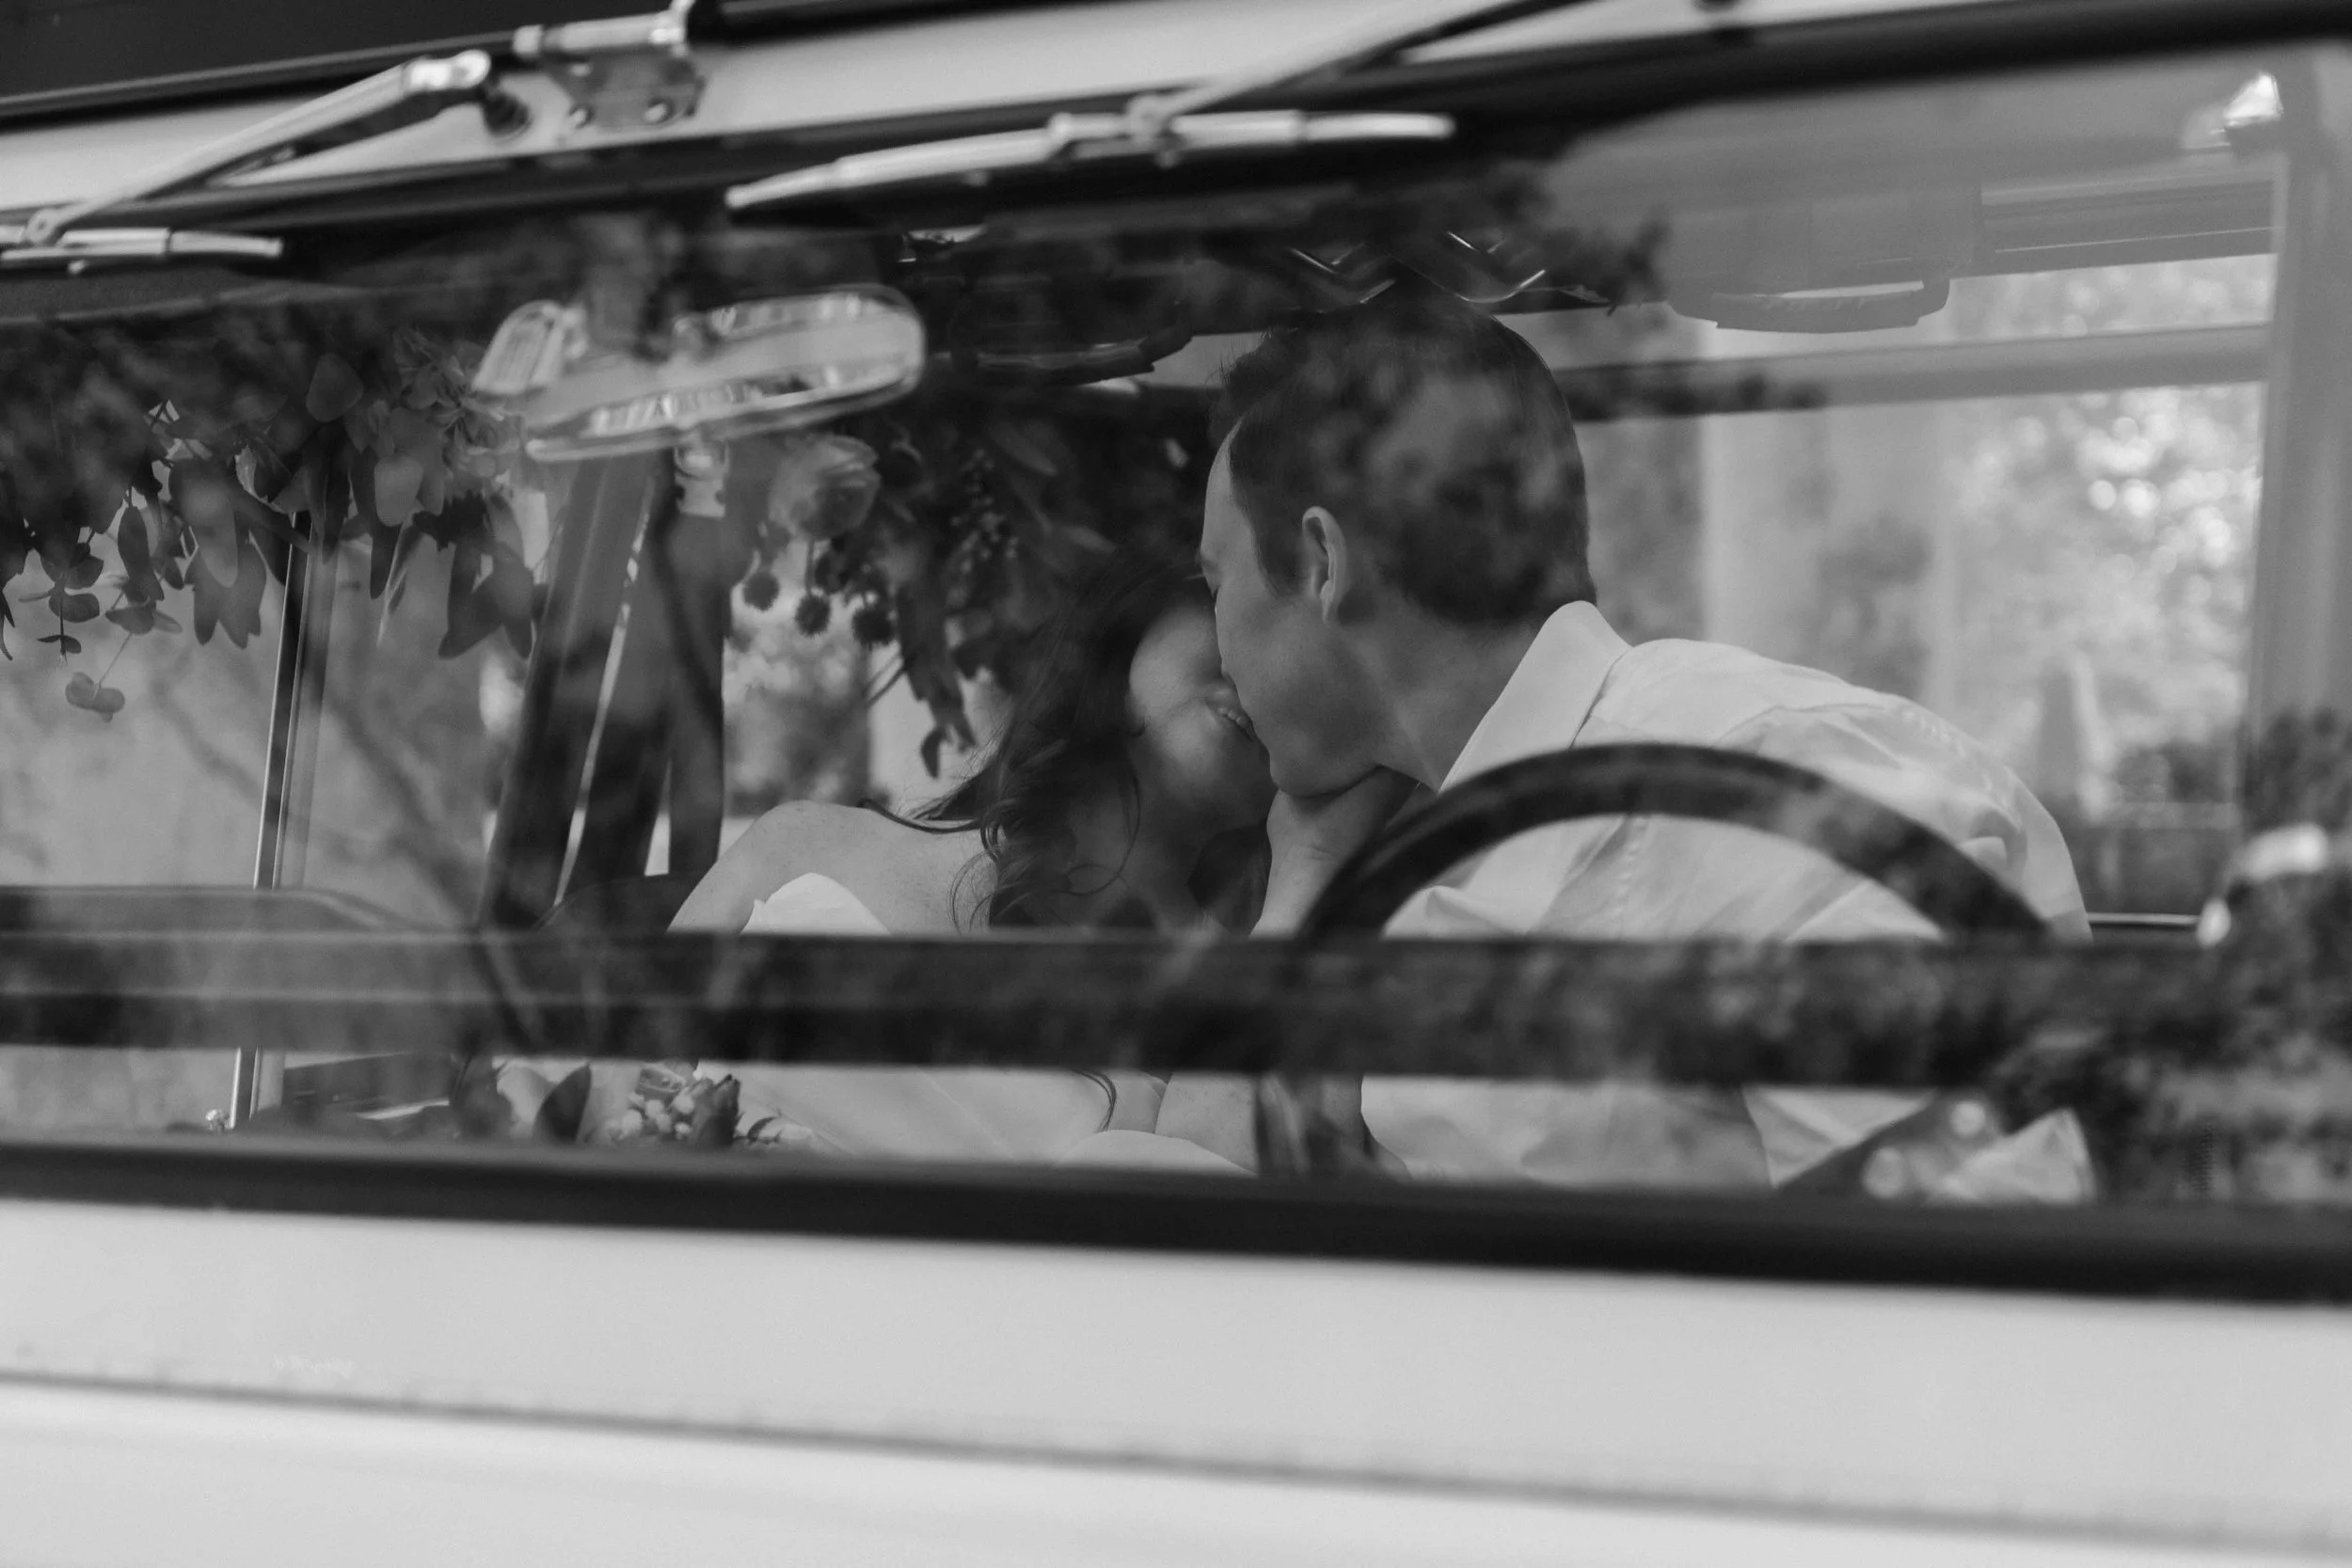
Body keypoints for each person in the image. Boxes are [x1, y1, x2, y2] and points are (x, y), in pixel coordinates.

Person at [1163, 290, 2091, 1186]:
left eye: (1215, 580)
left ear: (1322, 563)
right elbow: (1198, 1200)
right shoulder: (1417, 844)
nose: (1217, 642)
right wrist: (1303, 879)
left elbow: (1975, 1256)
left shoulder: (1770, 786)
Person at [659, 540, 1274, 1168]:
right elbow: (616, 1085)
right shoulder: (804, 842)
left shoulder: (1232, 1007)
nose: (1263, 661)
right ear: (1126, 623)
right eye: (1221, 600)